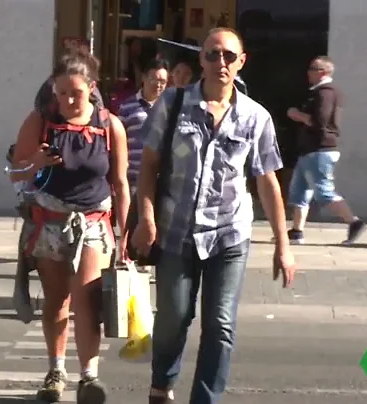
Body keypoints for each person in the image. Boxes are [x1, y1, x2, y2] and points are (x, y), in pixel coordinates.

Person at [132, 27, 296, 404]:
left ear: (241, 62)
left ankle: (206, 398)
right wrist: (146, 218)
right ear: (200, 60)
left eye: (228, 55)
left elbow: (267, 182)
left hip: (229, 234)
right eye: (212, 54)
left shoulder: (256, 117)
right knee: (174, 317)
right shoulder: (171, 104)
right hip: (175, 230)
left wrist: (282, 245)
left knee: (220, 324)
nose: (219, 62)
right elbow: (149, 167)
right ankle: (162, 383)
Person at [9, 51, 130, 404]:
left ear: (91, 88)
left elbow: (121, 184)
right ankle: (55, 370)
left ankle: (89, 376)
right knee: (56, 300)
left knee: (87, 299)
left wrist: (124, 235)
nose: (67, 100)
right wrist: (36, 162)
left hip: (93, 221)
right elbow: (15, 173)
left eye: (75, 92)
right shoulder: (41, 121)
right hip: (49, 220)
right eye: (60, 93)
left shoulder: (110, 126)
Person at [286, 56, 365, 245]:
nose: (308, 72)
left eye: (313, 69)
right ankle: (297, 232)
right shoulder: (322, 92)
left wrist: (297, 115)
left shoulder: (325, 93)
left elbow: (320, 121)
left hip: (320, 149)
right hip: (310, 150)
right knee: (299, 192)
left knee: (324, 192)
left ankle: (353, 222)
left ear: (323, 72)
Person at [117, 58, 169, 194]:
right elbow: (118, 142)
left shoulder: (170, 109)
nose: (158, 85)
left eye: (163, 81)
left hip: (161, 181)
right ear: (143, 78)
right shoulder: (127, 106)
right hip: (133, 180)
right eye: (154, 79)